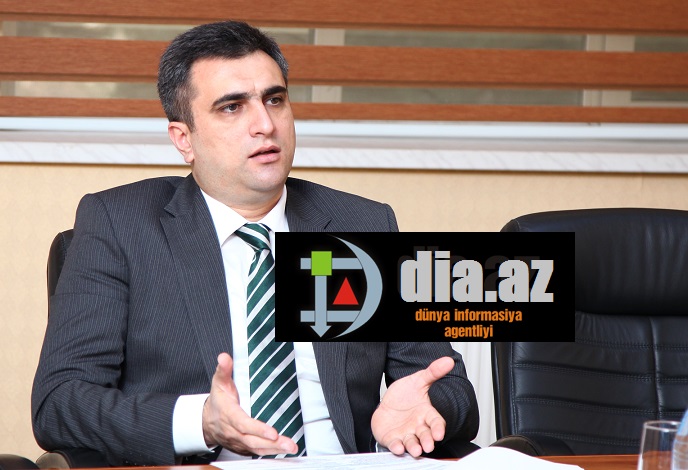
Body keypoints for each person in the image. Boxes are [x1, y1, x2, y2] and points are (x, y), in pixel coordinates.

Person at [31, 20, 479, 466]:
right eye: (232, 107)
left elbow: (450, 387)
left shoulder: (361, 225)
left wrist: (424, 412)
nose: (265, 124)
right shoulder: (121, 225)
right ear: (184, 139)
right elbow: (59, 402)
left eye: (275, 99)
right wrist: (199, 422)